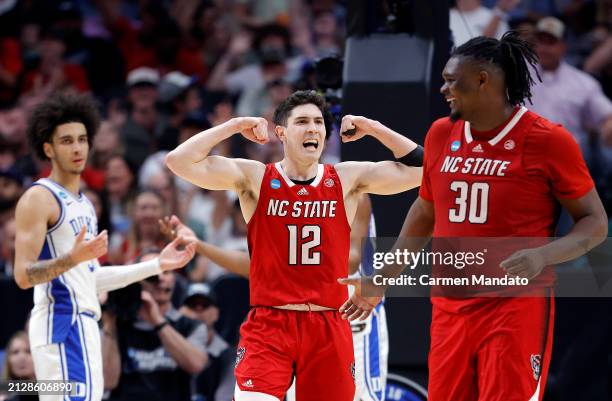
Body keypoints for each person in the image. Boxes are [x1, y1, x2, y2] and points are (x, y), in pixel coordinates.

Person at [341, 31, 608, 401]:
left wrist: (544, 255)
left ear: (482, 80)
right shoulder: (441, 133)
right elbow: (424, 211)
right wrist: (382, 278)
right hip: (450, 307)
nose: (443, 89)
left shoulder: (549, 140)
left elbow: (594, 222)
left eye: (452, 80)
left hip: (514, 307)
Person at [165, 90, 423, 401]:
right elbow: (178, 160)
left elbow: (425, 170)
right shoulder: (256, 177)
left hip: (329, 323)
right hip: (270, 322)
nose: (312, 128)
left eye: (318, 122)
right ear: (282, 133)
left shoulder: (346, 178)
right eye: (302, 121)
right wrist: (234, 125)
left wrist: (373, 127)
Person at [12, 92, 196, 401]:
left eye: (82, 139)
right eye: (66, 141)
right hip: (60, 325)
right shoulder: (39, 198)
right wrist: (71, 259)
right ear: (49, 148)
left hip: (86, 325)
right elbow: (22, 275)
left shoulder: (84, 205)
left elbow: (91, 279)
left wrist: (157, 265)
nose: (77, 148)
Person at [160, 194, 389, 401]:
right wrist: (198, 245)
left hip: (352, 318)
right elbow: (256, 266)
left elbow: (351, 261)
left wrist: (298, 252)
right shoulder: (277, 196)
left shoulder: (352, 190)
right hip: (294, 321)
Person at [102, 249, 207, 401]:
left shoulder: (189, 325)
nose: (160, 279)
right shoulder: (115, 323)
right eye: (151, 274)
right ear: (137, 280)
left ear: (174, 279)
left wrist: (157, 321)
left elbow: (196, 365)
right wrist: (110, 323)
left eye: (166, 272)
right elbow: (107, 381)